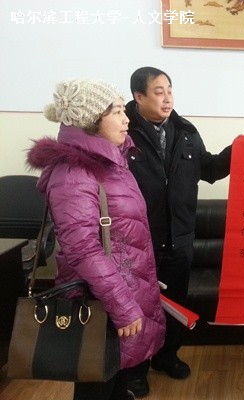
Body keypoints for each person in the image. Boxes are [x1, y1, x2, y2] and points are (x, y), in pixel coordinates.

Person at [27, 79, 166, 400]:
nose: (126, 119)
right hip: (100, 302)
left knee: (117, 377)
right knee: (95, 380)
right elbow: (83, 250)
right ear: (90, 119)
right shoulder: (73, 174)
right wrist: (124, 306)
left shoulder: (112, 162)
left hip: (123, 293)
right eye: (116, 111)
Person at [124, 66, 232, 397]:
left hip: (179, 240)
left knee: (174, 304)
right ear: (139, 96)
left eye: (170, 90)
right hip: (139, 242)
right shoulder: (122, 133)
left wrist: (238, 151)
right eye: (159, 92)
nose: (167, 97)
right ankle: (136, 370)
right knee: (138, 308)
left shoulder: (185, 132)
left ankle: (167, 356)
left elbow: (209, 169)